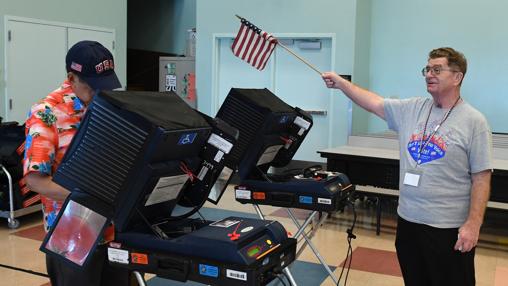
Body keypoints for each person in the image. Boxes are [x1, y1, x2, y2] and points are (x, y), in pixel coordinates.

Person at [322, 47, 492, 286]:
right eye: (427, 69)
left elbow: (482, 178)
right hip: (409, 222)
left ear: (457, 77)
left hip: (447, 228)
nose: (429, 74)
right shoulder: (412, 109)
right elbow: (374, 103)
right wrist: (341, 84)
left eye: (437, 69)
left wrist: (473, 225)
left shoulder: (474, 122)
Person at [22, 41, 132, 285]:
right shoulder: (47, 112)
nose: (99, 92)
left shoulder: (109, 105)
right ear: (72, 78)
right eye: (92, 86)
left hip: (114, 229)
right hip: (72, 236)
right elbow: (35, 180)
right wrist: (91, 197)